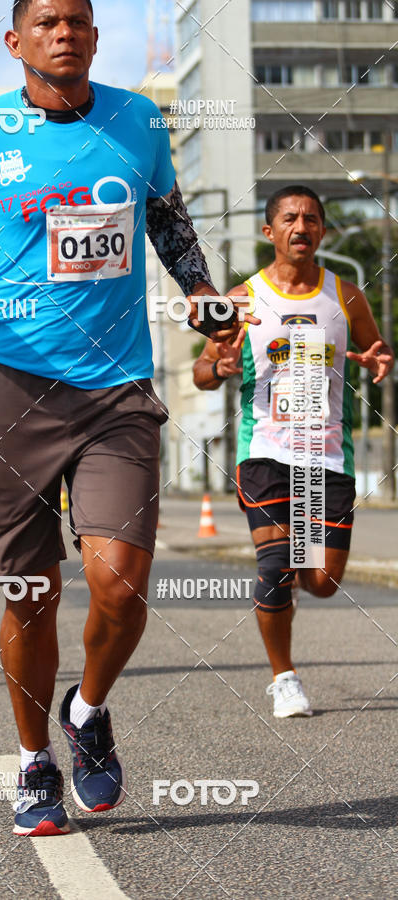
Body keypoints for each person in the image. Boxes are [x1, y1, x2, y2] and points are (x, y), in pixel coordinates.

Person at [0, 0, 249, 836]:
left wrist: (199, 291)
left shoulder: (138, 117)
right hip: (8, 384)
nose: (66, 32)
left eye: (80, 20)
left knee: (121, 585)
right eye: (48, 21)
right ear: (17, 41)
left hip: (117, 388)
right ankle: (34, 762)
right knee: (27, 595)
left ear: (95, 37)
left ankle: (87, 713)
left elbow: (165, 217)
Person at [193, 184, 394, 718]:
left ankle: (288, 589)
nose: (300, 227)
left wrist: (379, 361)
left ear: (322, 231)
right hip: (264, 451)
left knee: (322, 581)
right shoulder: (239, 300)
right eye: (288, 218)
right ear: (269, 231)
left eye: (310, 219)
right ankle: (284, 678)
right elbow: (201, 371)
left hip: (327, 455)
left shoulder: (347, 296)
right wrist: (221, 367)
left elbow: (377, 349)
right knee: (276, 566)